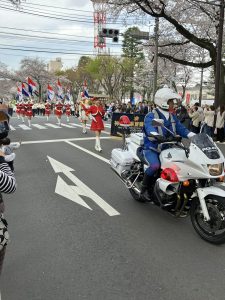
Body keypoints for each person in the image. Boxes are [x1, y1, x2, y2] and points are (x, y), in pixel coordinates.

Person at [141, 86, 195, 201]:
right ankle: (144, 189)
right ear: (163, 102)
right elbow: (150, 127)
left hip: (169, 147)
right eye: (171, 101)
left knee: (183, 163)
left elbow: (181, 129)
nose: (173, 104)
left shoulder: (172, 116)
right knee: (155, 165)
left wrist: (192, 135)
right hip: (152, 148)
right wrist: (155, 135)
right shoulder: (151, 115)